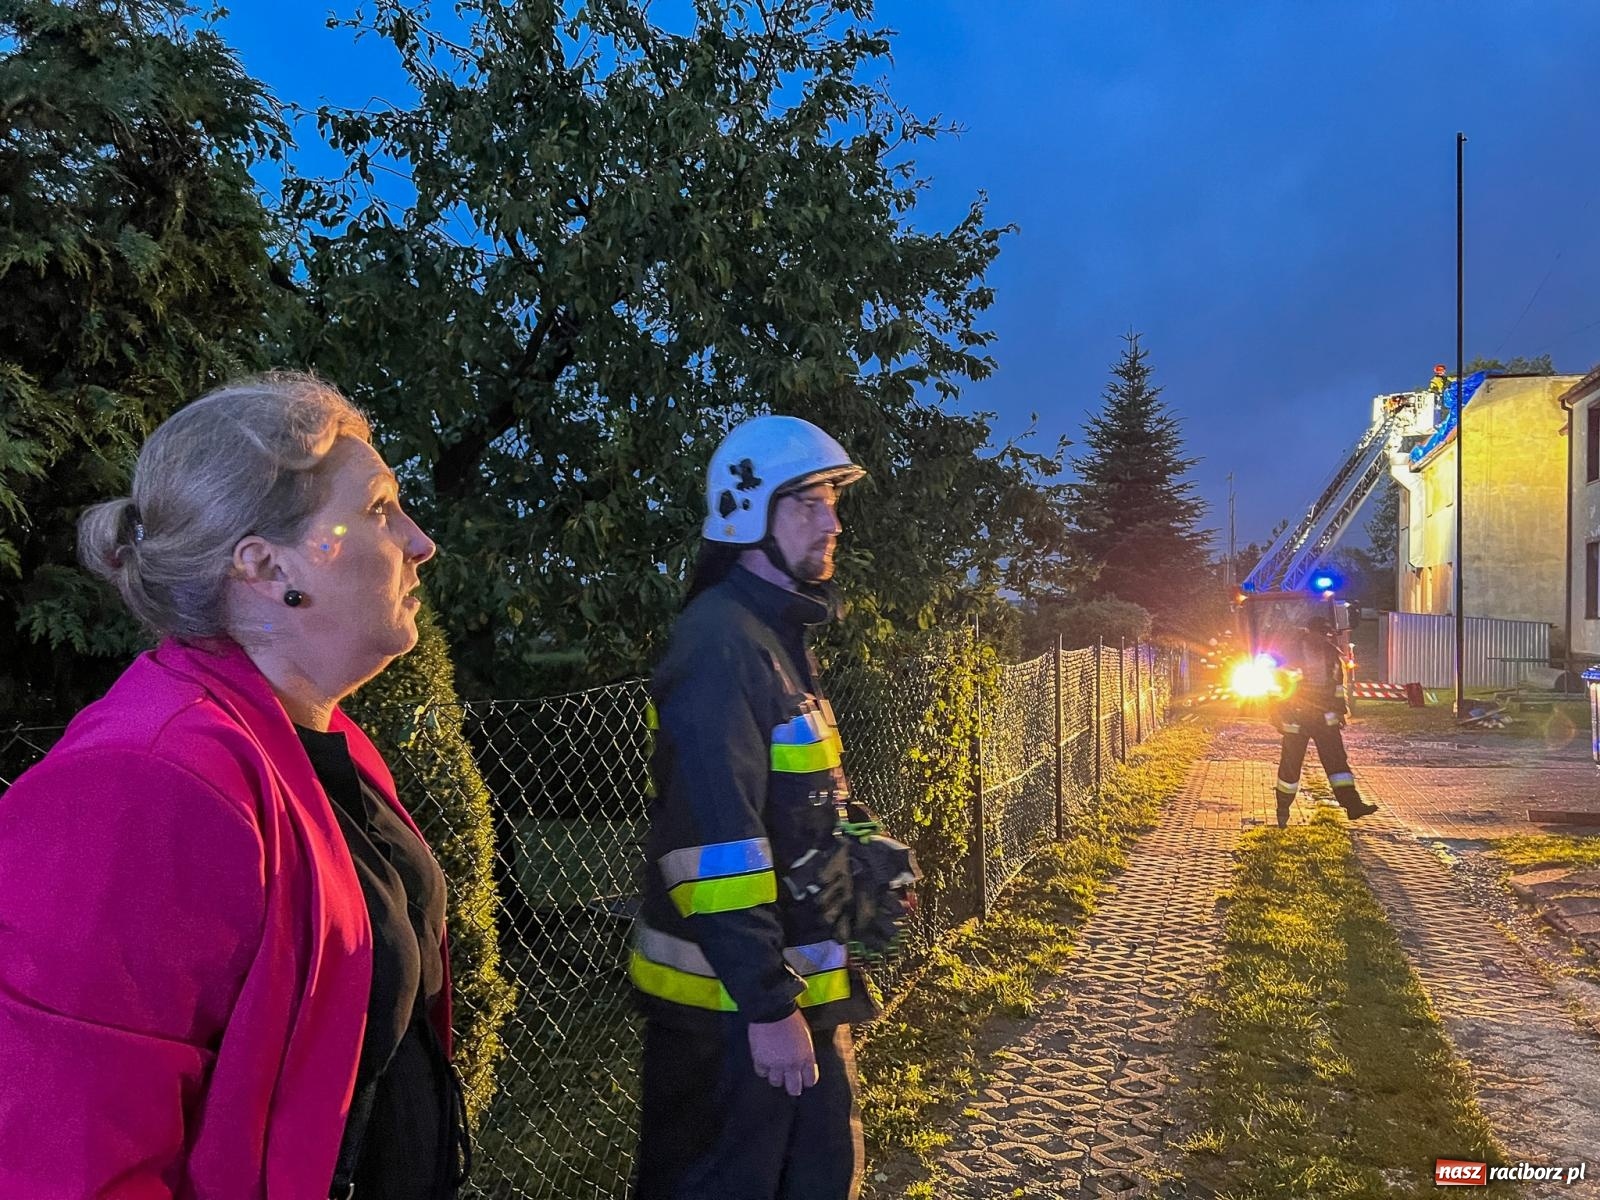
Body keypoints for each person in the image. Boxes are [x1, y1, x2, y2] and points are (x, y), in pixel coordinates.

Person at [0, 373, 470, 1198]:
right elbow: (66, 1162)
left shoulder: (328, 743)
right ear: (264, 563)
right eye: (379, 509)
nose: (420, 542)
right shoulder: (145, 778)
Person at [630, 415, 915, 1200]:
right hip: (731, 1017)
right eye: (808, 502)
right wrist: (766, 1006)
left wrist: (853, 852)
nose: (833, 520)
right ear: (745, 515)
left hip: (786, 998)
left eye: (831, 500)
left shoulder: (773, 632)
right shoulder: (721, 644)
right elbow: (715, 845)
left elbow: (793, 806)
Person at [1271, 605, 1379, 828]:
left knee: (1338, 764)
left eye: (1327, 634)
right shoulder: (1290, 653)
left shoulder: (1331, 655)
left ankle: (1353, 806)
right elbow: (1277, 689)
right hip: (1296, 718)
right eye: (1321, 634)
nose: (1324, 638)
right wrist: (1277, 715)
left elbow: (1338, 687)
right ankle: (1283, 809)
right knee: (1290, 767)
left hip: (1324, 717)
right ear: (1309, 632)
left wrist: (1340, 712)